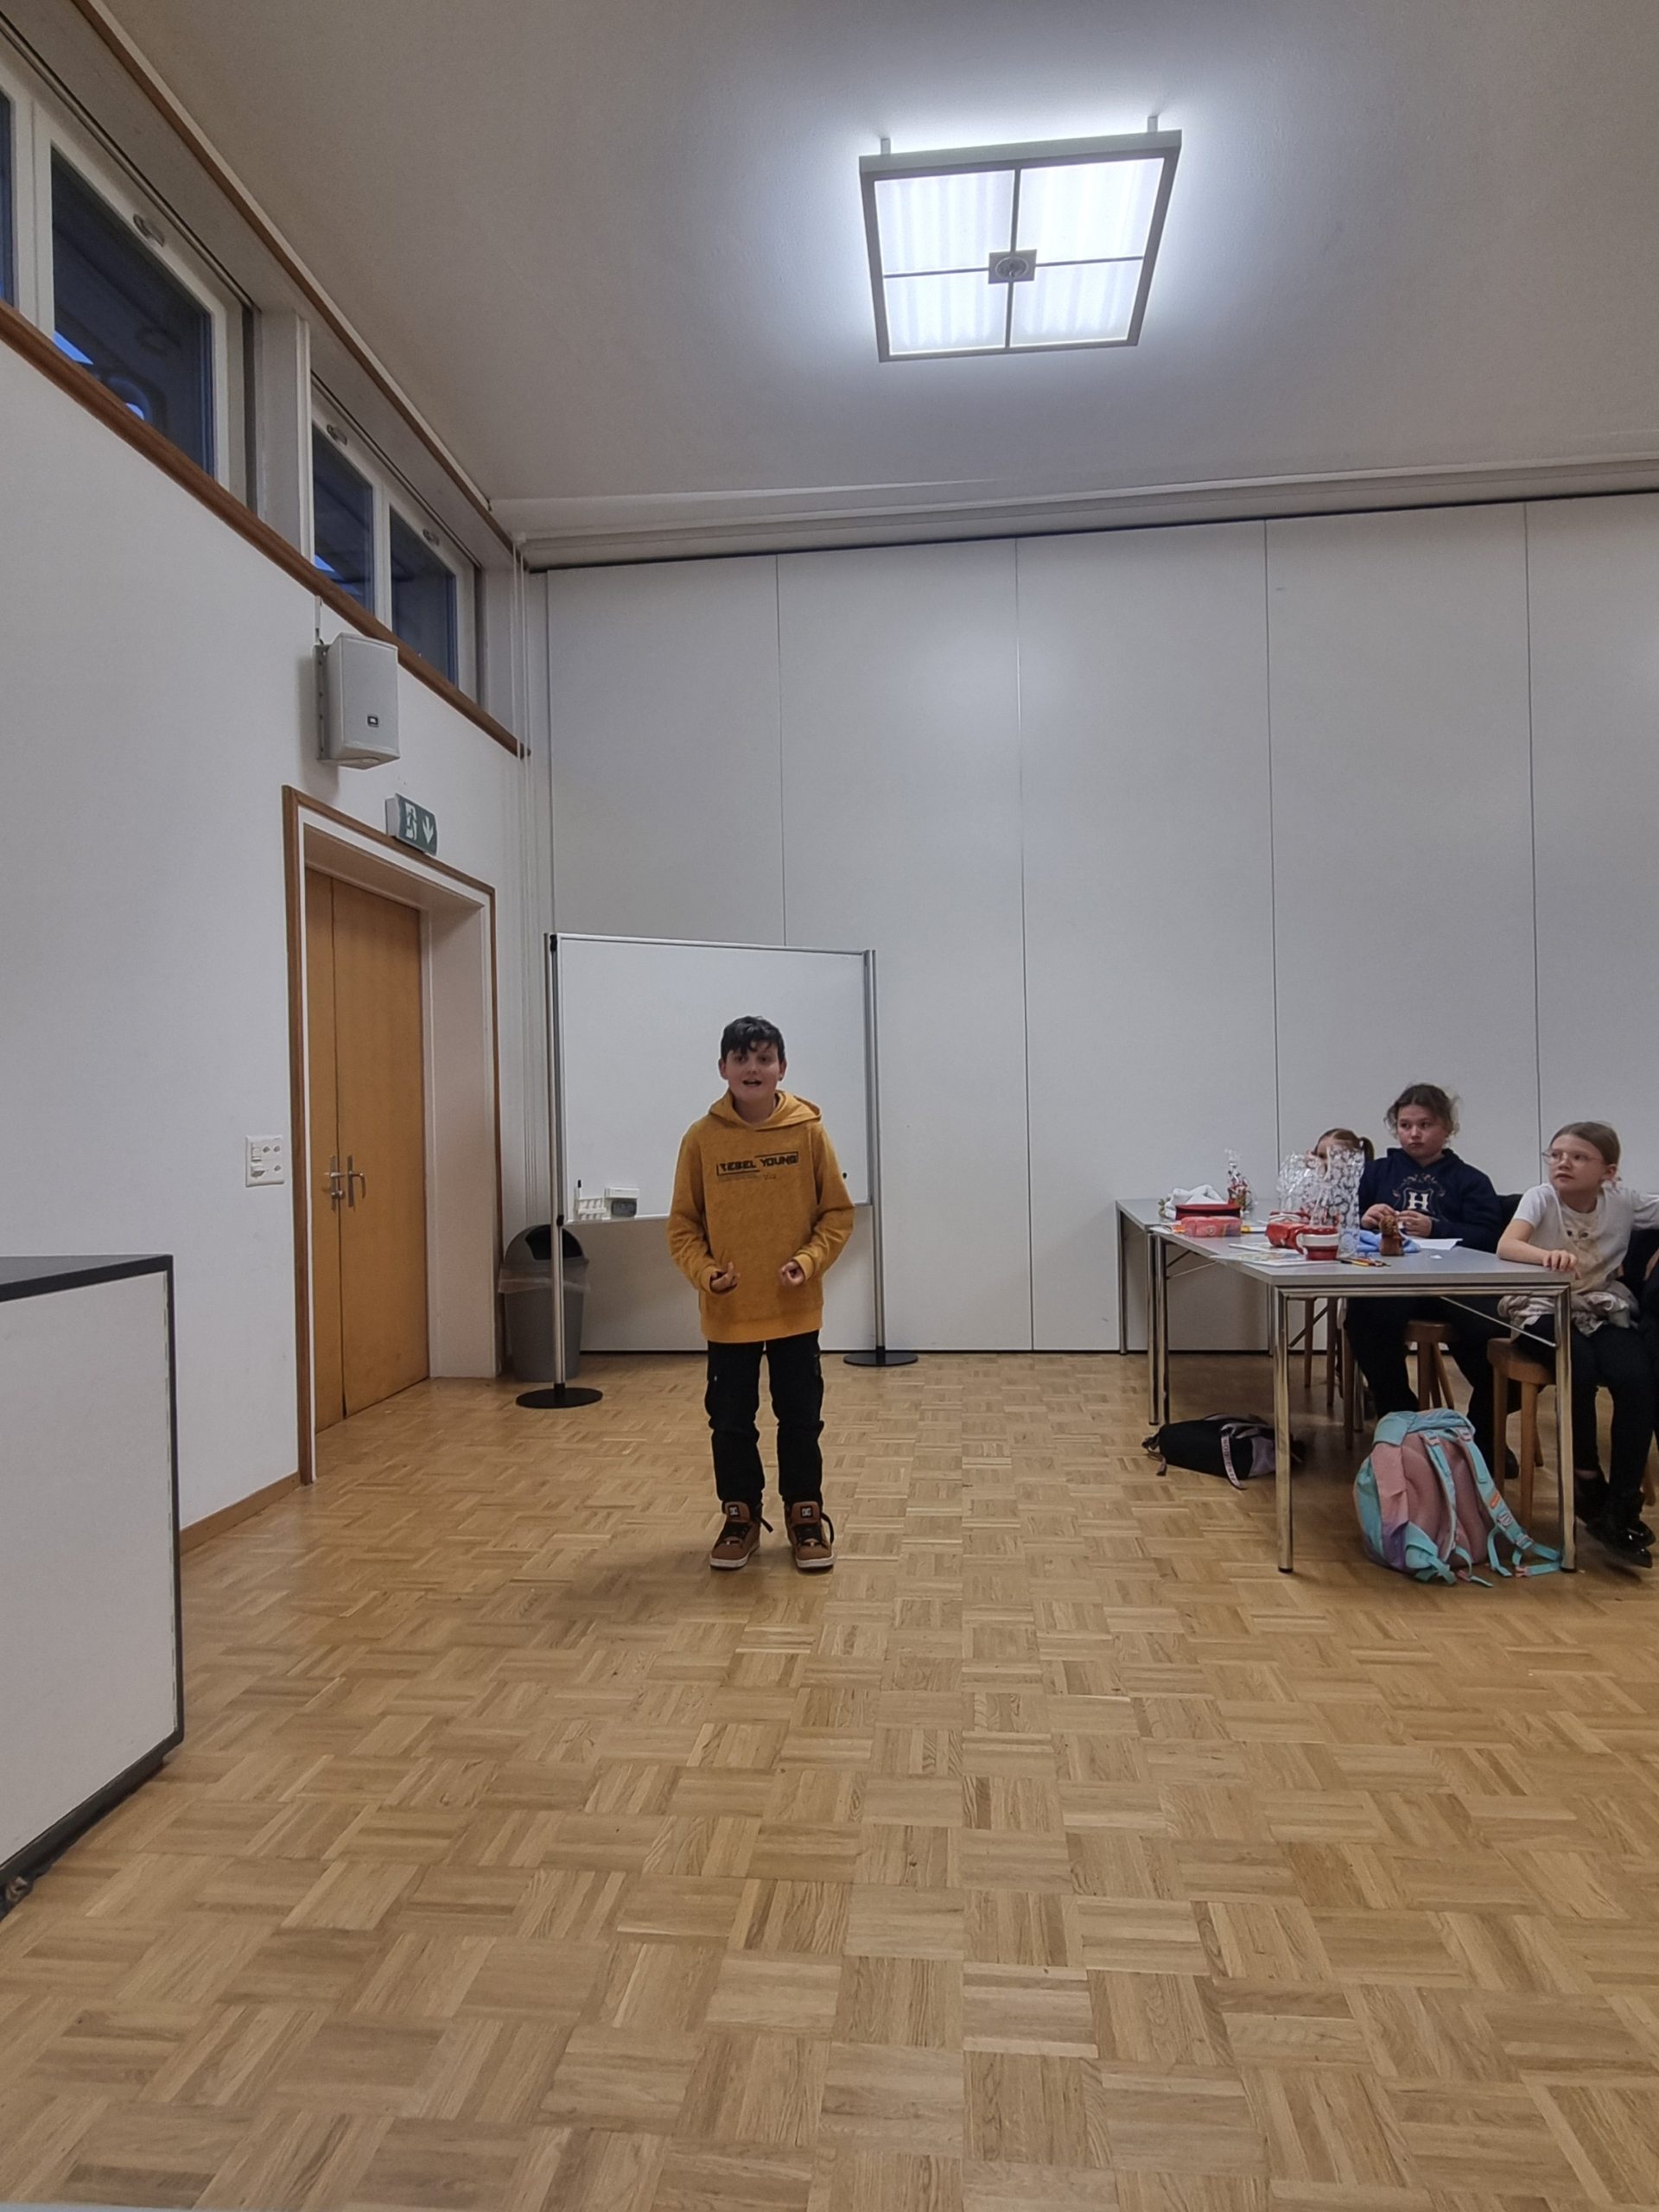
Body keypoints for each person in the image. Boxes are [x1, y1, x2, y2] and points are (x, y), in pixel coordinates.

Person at [668, 1014, 854, 1573]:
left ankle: (804, 1516)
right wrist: (707, 1274)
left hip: (795, 1311)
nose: (753, 1068)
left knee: (801, 1420)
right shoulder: (701, 1140)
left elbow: (836, 1214)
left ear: (782, 1068)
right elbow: (683, 1227)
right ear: (723, 1068)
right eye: (742, 1058)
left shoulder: (808, 1132)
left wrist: (808, 1262)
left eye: (764, 1058)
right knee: (730, 1423)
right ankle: (740, 1516)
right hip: (730, 1314)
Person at [1497, 1122, 1659, 1570]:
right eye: (1556, 1155)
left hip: (1599, 1304)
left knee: (1637, 1377)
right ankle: (1587, 1478)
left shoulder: (1623, 1201)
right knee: (1579, 1367)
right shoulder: (1541, 1197)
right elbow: (1508, 1244)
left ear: (1609, 1172)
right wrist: (1544, 1256)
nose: (1563, 1163)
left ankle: (1621, 1504)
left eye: (1578, 1157)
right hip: (1541, 1305)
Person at [1344, 1084, 1508, 1462]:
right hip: (1393, 1284)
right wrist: (1364, 1219)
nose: (1414, 1134)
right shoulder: (1376, 1173)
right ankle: (1404, 1419)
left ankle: (1479, 1435)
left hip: (1454, 1286)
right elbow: (1342, 1222)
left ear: (1447, 1128)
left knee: (1494, 1333)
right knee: (1364, 1317)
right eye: (1405, 1125)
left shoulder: (1470, 1180)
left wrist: (1436, 1228)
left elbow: (1489, 1236)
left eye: (1425, 1125)